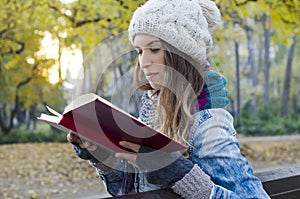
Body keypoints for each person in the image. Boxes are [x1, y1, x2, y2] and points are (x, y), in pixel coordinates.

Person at [68, 0, 270, 198]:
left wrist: (178, 173)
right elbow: (132, 188)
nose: (144, 62)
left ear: (181, 54)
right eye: (139, 51)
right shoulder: (152, 108)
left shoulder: (209, 125)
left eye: (154, 49)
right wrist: (101, 155)